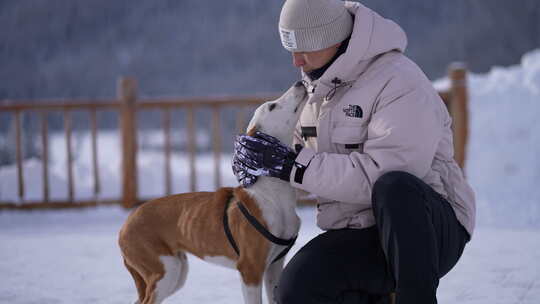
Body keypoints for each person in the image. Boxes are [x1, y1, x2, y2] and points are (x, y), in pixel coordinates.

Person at [232, 0, 476, 303]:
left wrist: (292, 166)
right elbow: (300, 163)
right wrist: (264, 161)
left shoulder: (400, 81)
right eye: (290, 50)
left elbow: (386, 174)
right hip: (360, 230)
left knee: (395, 187)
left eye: (304, 48)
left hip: (427, 231)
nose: (296, 61)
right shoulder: (316, 91)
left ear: (332, 38)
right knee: (296, 288)